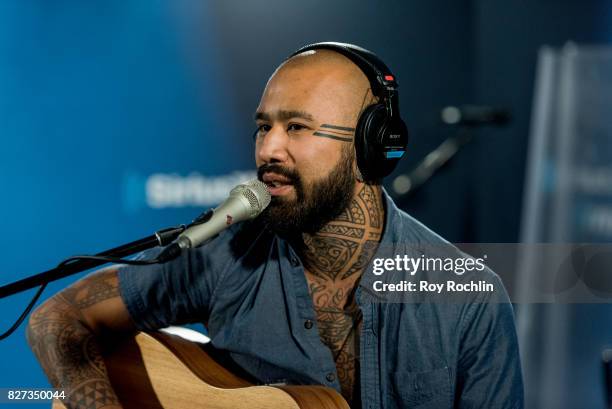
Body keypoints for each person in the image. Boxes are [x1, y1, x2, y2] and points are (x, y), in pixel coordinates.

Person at [27, 42, 523, 409]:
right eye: (264, 126)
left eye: (298, 127)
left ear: (370, 147)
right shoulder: (226, 255)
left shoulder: (469, 297)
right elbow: (57, 319)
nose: (269, 150)